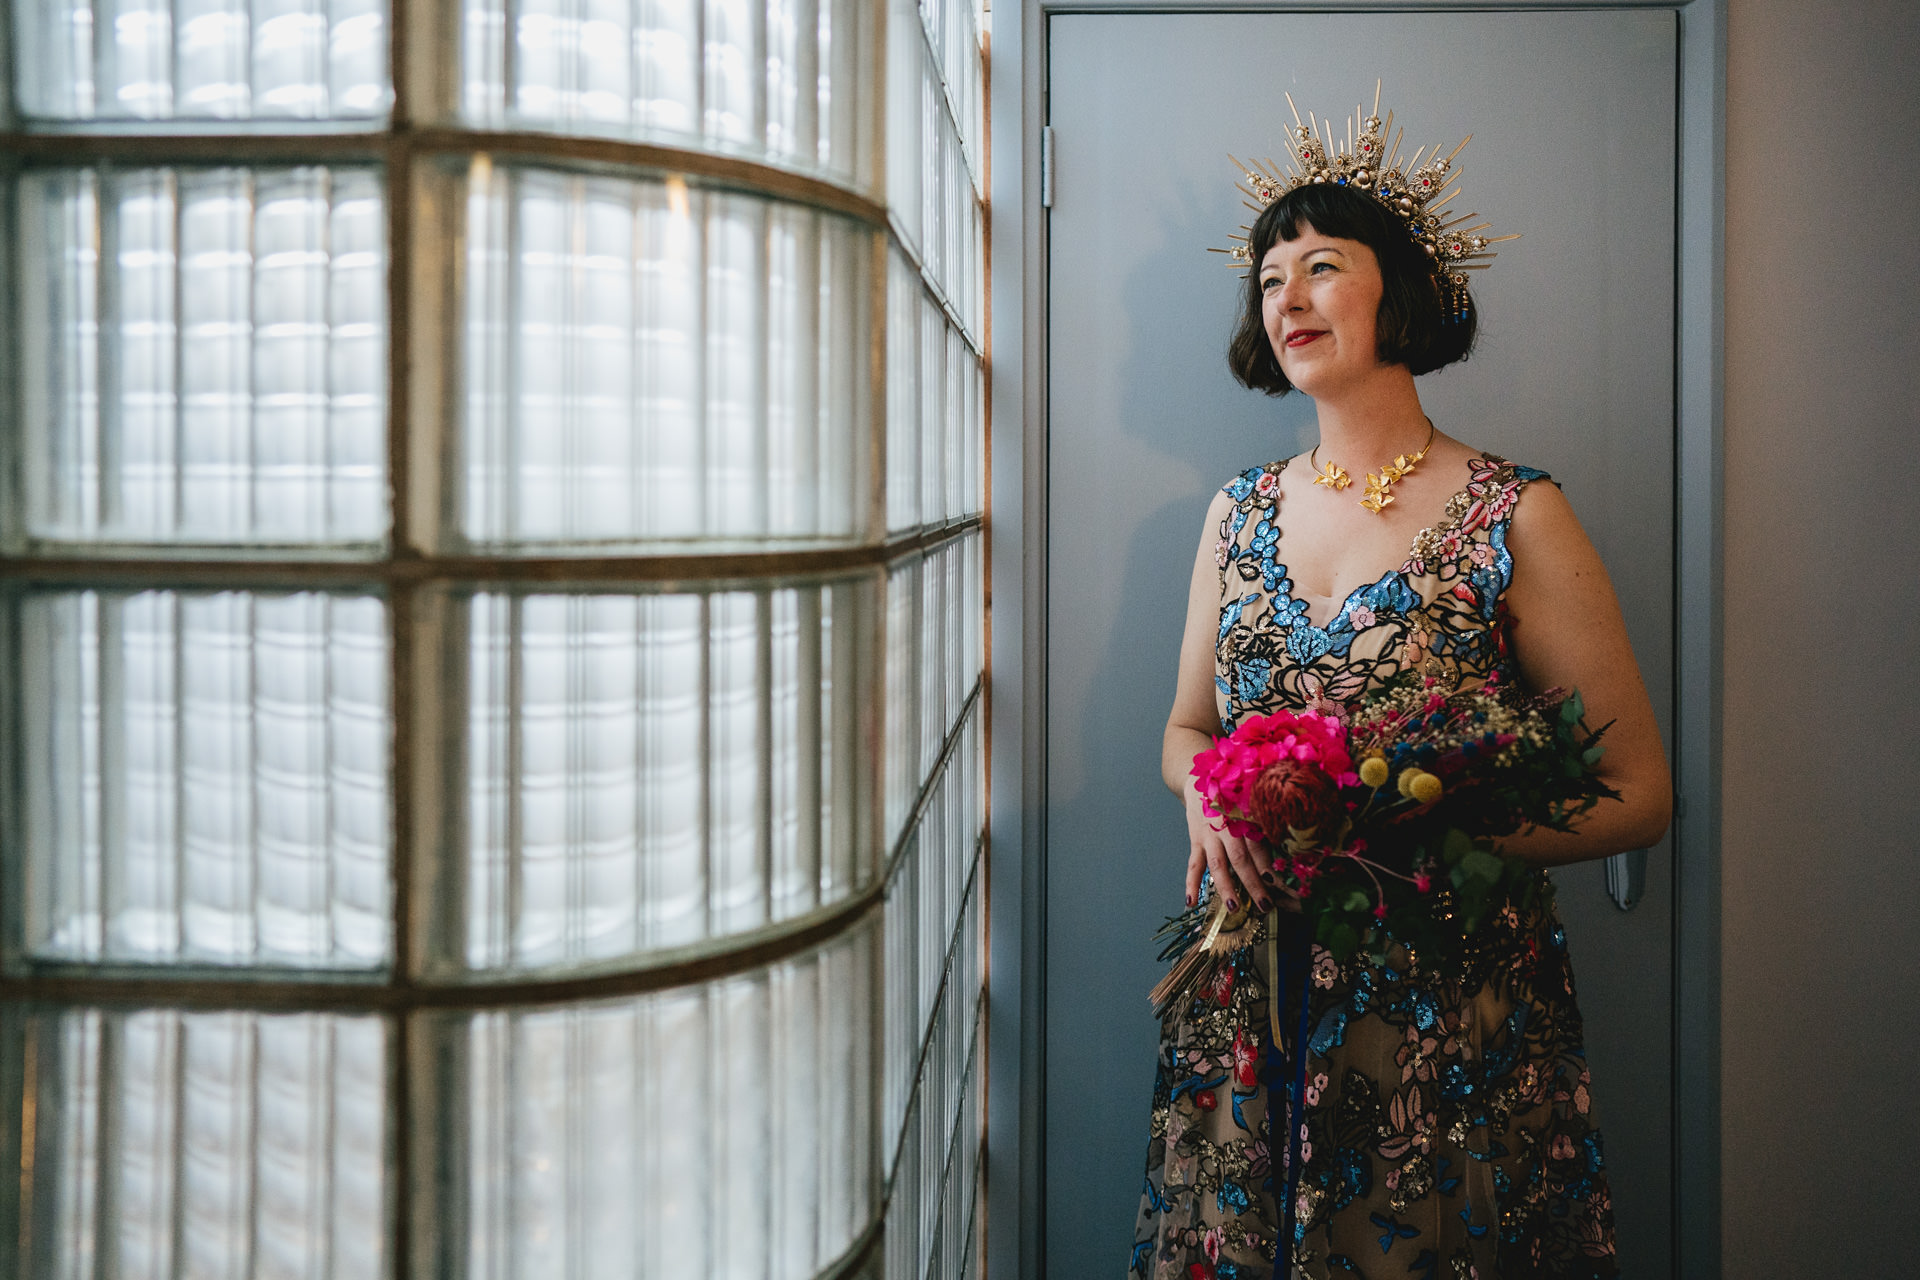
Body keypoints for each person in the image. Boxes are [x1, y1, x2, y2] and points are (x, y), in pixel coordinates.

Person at [1130, 98, 1672, 1280]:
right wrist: (1209, 795)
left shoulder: (1515, 513)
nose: (1288, 297)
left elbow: (1639, 794)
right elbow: (1184, 729)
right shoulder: (1240, 513)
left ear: (1406, 291)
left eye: (1322, 265)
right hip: (1251, 999)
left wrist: (1425, 831)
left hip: (1452, 1008)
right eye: (1271, 277)